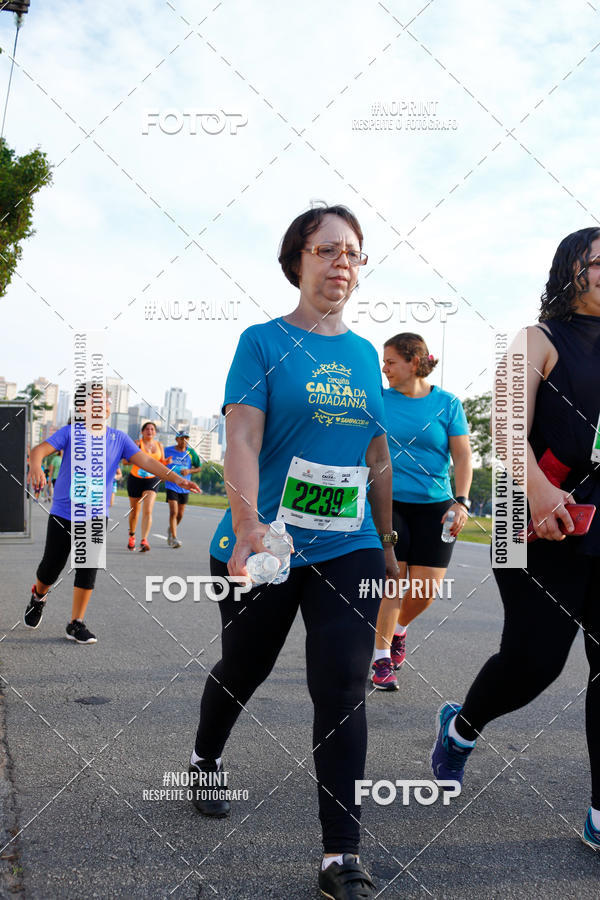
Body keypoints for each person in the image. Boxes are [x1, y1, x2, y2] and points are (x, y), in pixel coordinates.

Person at [187, 204, 397, 900]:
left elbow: (375, 452)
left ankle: (341, 855)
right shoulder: (262, 341)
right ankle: (205, 759)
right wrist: (249, 526)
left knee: (341, 684)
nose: (342, 262)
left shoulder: (365, 355)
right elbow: (242, 437)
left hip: (349, 543)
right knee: (244, 667)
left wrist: (387, 540)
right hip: (265, 544)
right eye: (326, 249)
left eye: (353, 253)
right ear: (297, 260)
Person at [430, 227, 600, 853]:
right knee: (535, 662)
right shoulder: (538, 339)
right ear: (571, 269)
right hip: (523, 510)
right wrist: (540, 492)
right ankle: (461, 727)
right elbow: (505, 427)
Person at [24, 385, 199, 643]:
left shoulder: (119, 438)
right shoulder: (70, 432)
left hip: (96, 514)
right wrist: (36, 466)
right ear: (82, 408)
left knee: (88, 567)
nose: (102, 403)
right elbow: (38, 450)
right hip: (64, 512)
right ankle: (38, 596)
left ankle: (76, 623)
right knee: (51, 566)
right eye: (94, 399)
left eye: (105, 400)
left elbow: (148, 462)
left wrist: (177, 479)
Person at [371, 333, 472, 690]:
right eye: (383, 362)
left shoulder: (447, 403)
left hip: (436, 507)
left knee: (427, 590)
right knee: (393, 581)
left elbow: (462, 456)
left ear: (414, 362)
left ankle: (399, 630)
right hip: (388, 504)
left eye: (391, 361)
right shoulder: (379, 400)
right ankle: (381, 659)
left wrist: (462, 501)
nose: (384, 368)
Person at [126, 422, 169, 551]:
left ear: (155, 432)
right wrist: (131, 459)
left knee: (148, 510)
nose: (149, 431)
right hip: (135, 479)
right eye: (147, 429)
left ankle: (144, 540)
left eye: (152, 429)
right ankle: (132, 535)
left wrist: (166, 463)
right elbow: (126, 461)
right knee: (135, 512)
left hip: (152, 480)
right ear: (142, 432)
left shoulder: (159, 445)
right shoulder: (137, 443)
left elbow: (161, 462)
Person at [163, 430, 202, 548]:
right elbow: (159, 461)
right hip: (171, 484)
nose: (184, 441)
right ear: (177, 439)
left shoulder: (191, 452)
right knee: (173, 512)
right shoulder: (167, 450)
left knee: (180, 514)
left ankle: (171, 529)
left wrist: (189, 471)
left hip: (185, 486)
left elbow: (199, 468)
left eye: (187, 438)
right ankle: (174, 538)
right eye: (182, 438)